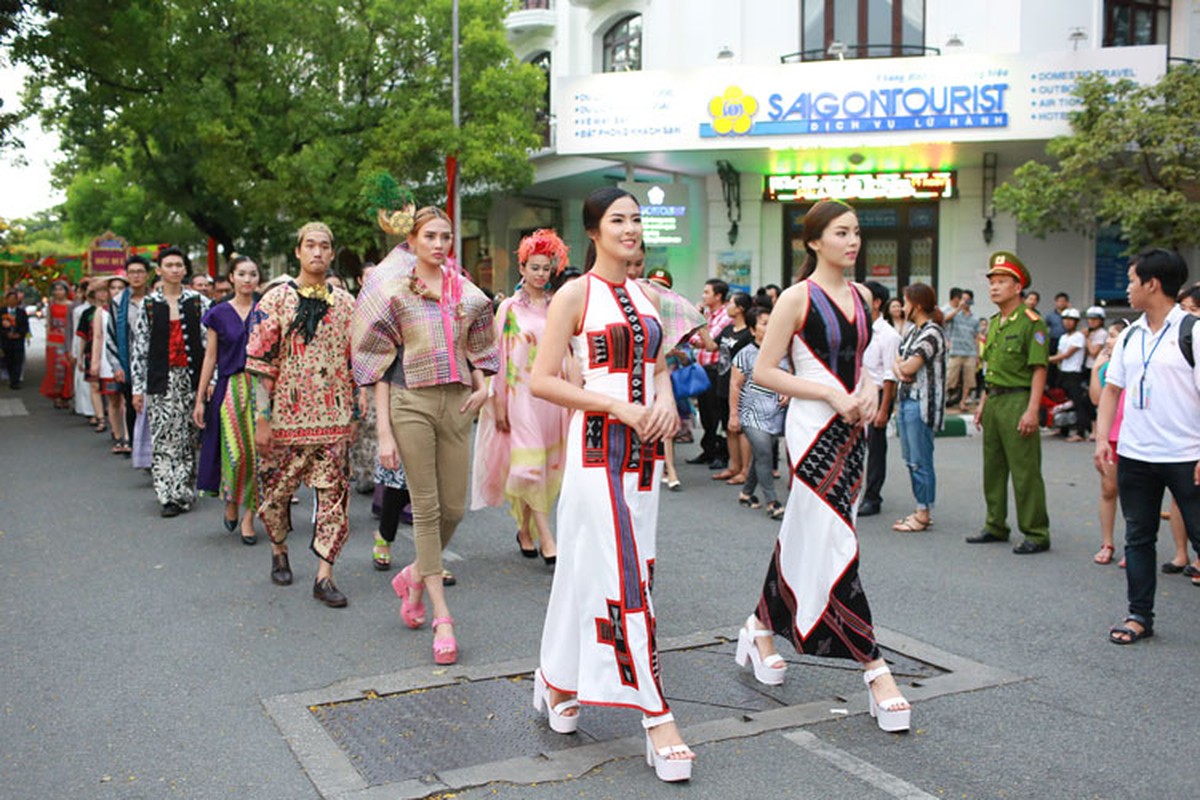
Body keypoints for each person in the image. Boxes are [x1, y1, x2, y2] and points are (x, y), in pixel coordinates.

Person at [528, 187, 694, 782]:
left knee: (596, 568)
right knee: (622, 574)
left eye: (637, 220)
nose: (631, 229)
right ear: (593, 231)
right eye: (618, 220)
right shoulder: (575, 294)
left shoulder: (650, 296)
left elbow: (658, 366)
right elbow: (542, 381)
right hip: (597, 453)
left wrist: (666, 400)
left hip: (645, 459)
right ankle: (655, 713)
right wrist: (614, 407)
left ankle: (556, 679)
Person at [736, 199, 910, 734]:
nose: (852, 241)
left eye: (856, 232)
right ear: (814, 241)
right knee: (836, 542)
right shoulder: (795, 298)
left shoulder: (862, 297)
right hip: (811, 430)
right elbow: (765, 370)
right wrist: (828, 396)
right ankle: (875, 670)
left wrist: (859, 396)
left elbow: (863, 365)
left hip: (851, 426)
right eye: (841, 233)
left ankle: (760, 627)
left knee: (810, 532)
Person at [352, 207, 499, 658]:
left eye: (445, 237)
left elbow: (481, 345)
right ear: (412, 241)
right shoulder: (393, 290)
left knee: (456, 506)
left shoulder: (467, 292)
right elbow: (377, 363)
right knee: (428, 508)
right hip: (409, 400)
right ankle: (442, 616)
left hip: (455, 403)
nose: (439, 244)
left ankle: (414, 576)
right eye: (430, 236)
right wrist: (387, 435)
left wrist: (486, 385)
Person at [247, 222, 357, 607]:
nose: (317, 253)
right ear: (297, 251)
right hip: (285, 421)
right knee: (276, 495)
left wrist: (355, 413)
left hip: (334, 418)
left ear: (331, 253)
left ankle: (325, 576)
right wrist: (262, 419)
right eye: (310, 245)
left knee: (334, 497)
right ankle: (279, 550)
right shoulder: (275, 299)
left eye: (324, 246)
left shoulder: (346, 303)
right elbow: (261, 363)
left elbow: (353, 360)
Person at [1094, 248, 1200, 643]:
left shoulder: (1193, 331)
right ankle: (1139, 616)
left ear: (1152, 284)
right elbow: (1111, 390)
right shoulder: (1131, 335)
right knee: (1138, 536)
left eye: (1132, 280)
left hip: (1186, 456)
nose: (1127, 287)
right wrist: (1104, 438)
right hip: (1136, 455)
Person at [471, 228, 569, 565]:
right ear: (522, 268)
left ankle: (525, 529)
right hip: (520, 395)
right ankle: (548, 539)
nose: (541, 274)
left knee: (543, 468)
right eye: (535, 267)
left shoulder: (559, 306)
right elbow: (496, 357)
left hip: (551, 397)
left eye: (546, 268)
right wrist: (496, 401)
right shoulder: (509, 309)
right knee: (530, 467)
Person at [967, 252, 1052, 554]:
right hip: (994, 399)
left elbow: (1039, 368)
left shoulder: (1032, 323)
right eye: (992, 282)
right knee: (993, 467)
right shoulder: (994, 323)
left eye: (1002, 281)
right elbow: (991, 367)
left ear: (1018, 287)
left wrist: (1032, 409)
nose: (994, 287)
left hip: (1019, 398)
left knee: (1024, 469)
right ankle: (995, 524)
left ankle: (1036, 532)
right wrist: (982, 403)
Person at [132, 247, 211, 516]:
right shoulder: (149, 305)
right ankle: (167, 495)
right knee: (163, 437)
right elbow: (140, 348)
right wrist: (137, 388)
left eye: (179, 265)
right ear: (159, 270)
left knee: (188, 436)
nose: (175, 269)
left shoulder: (199, 302)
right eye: (169, 265)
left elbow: (209, 345)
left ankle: (184, 489)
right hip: (160, 379)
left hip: (191, 379)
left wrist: (210, 379)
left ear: (185, 270)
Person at [193, 255, 261, 545]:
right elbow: (210, 356)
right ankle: (231, 500)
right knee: (235, 452)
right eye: (242, 274)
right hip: (230, 387)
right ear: (231, 277)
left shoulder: (267, 310)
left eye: (253, 274)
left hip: (262, 389)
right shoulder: (218, 313)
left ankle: (249, 516)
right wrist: (199, 399)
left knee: (259, 455)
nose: (248, 279)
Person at [890, 283, 947, 532]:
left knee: (920, 459)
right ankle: (920, 508)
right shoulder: (913, 332)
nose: (903, 306)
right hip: (906, 400)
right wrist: (902, 367)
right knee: (909, 458)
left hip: (922, 404)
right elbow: (897, 363)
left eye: (905, 301)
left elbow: (908, 367)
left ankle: (923, 512)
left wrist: (903, 367)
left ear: (918, 304)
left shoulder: (932, 333)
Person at [730, 304, 787, 518]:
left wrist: (788, 393)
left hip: (775, 413)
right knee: (764, 453)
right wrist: (734, 415)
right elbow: (735, 385)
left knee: (761, 455)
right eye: (764, 323)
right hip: (751, 412)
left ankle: (746, 493)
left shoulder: (783, 352)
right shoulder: (745, 355)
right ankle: (772, 501)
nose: (770, 327)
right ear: (753, 330)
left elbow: (792, 378)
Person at [858, 281, 901, 517]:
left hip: (878, 394)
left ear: (877, 303)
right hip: (856, 393)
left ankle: (873, 497)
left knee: (875, 449)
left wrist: (884, 410)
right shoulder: (858, 328)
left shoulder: (889, 335)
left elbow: (890, 375)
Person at [107, 256, 153, 469]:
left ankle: (157, 453)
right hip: (129, 363)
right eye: (132, 272)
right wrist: (116, 366)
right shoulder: (118, 302)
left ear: (147, 274)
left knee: (156, 409)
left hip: (155, 363)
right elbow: (112, 336)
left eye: (140, 271)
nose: (136, 276)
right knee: (134, 408)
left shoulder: (156, 298)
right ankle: (141, 454)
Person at [1087, 321, 1127, 566]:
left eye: (1113, 336)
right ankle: (1108, 543)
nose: (1108, 341)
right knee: (1108, 489)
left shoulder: (1136, 363)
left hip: (1133, 438)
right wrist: (1095, 371)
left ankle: (1134, 547)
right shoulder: (1105, 368)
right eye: (1109, 336)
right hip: (1110, 437)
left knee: (1136, 495)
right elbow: (1096, 399)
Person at [687, 278, 730, 468]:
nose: (703, 296)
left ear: (718, 296)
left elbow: (711, 342)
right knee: (705, 412)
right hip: (702, 369)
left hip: (716, 371)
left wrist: (701, 332)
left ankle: (721, 452)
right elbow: (694, 338)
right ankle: (709, 449)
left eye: (707, 292)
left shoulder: (725, 316)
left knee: (717, 412)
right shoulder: (709, 315)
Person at [714, 291, 754, 484]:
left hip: (741, 386)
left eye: (731, 302)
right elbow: (710, 346)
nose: (728, 306)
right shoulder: (727, 330)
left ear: (740, 309)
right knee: (729, 428)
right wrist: (700, 326)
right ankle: (734, 466)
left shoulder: (748, 334)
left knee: (742, 428)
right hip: (723, 383)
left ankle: (746, 470)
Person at [93, 276, 129, 453]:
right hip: (108, 360)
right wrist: (95, 361)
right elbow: (98, 337)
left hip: (127, 358)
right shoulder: (102, 311)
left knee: (126, 400)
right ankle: (117, 435)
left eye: (120, 287)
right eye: (113, 288)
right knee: (113, 400)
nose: (116, 291)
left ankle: (129, 436)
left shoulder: (131, 307)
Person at [1047, 308, 1088, 441]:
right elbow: (1059, 354)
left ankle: (1080, 432)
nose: (1067, 323)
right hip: (1063, 372)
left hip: (1074, 373)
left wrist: (1046, 359)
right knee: (1062, 402)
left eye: (1071, 320)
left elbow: (1066, 354)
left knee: (1077, 403)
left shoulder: (1079, 337)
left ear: (1076, 322)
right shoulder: (1063, 337)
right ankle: (1062, 428)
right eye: (1065, 320)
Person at [942, 288, 980, 412]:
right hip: (956, 350)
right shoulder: (955, 314)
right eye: (963, 299)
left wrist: (978, 355)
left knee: (969, 380)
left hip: (970, 352)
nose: (965, 302)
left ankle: (963, 402)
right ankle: (943, 399)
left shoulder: (975, 318)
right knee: (949, 378)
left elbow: (977, 337)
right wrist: (958, 308)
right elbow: (945, 320)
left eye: (967, 300)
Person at [40, 280, 75, 409]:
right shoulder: (51, 304)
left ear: (66, 291)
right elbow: (49, 322)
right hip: (54, 340)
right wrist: (47, 340)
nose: (58, 292)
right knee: (55, 369)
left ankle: (67, 395)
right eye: (56, 289)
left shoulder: (71, 305)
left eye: (61, 289)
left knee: (68, 367)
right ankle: (57, 396)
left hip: (67, 338)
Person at [1, 289, 30, 389]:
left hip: (18, 340)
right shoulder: (2, 312)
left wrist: (19, 334)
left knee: (18, 360)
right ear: (7, 300)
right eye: (10, 299)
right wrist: (6, 334)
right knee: (8, 360)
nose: (12, 301)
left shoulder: (21, 312)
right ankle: (10, 377)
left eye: (14, 299)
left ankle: (15, 381)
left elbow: (25, 326)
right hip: (6, 341)